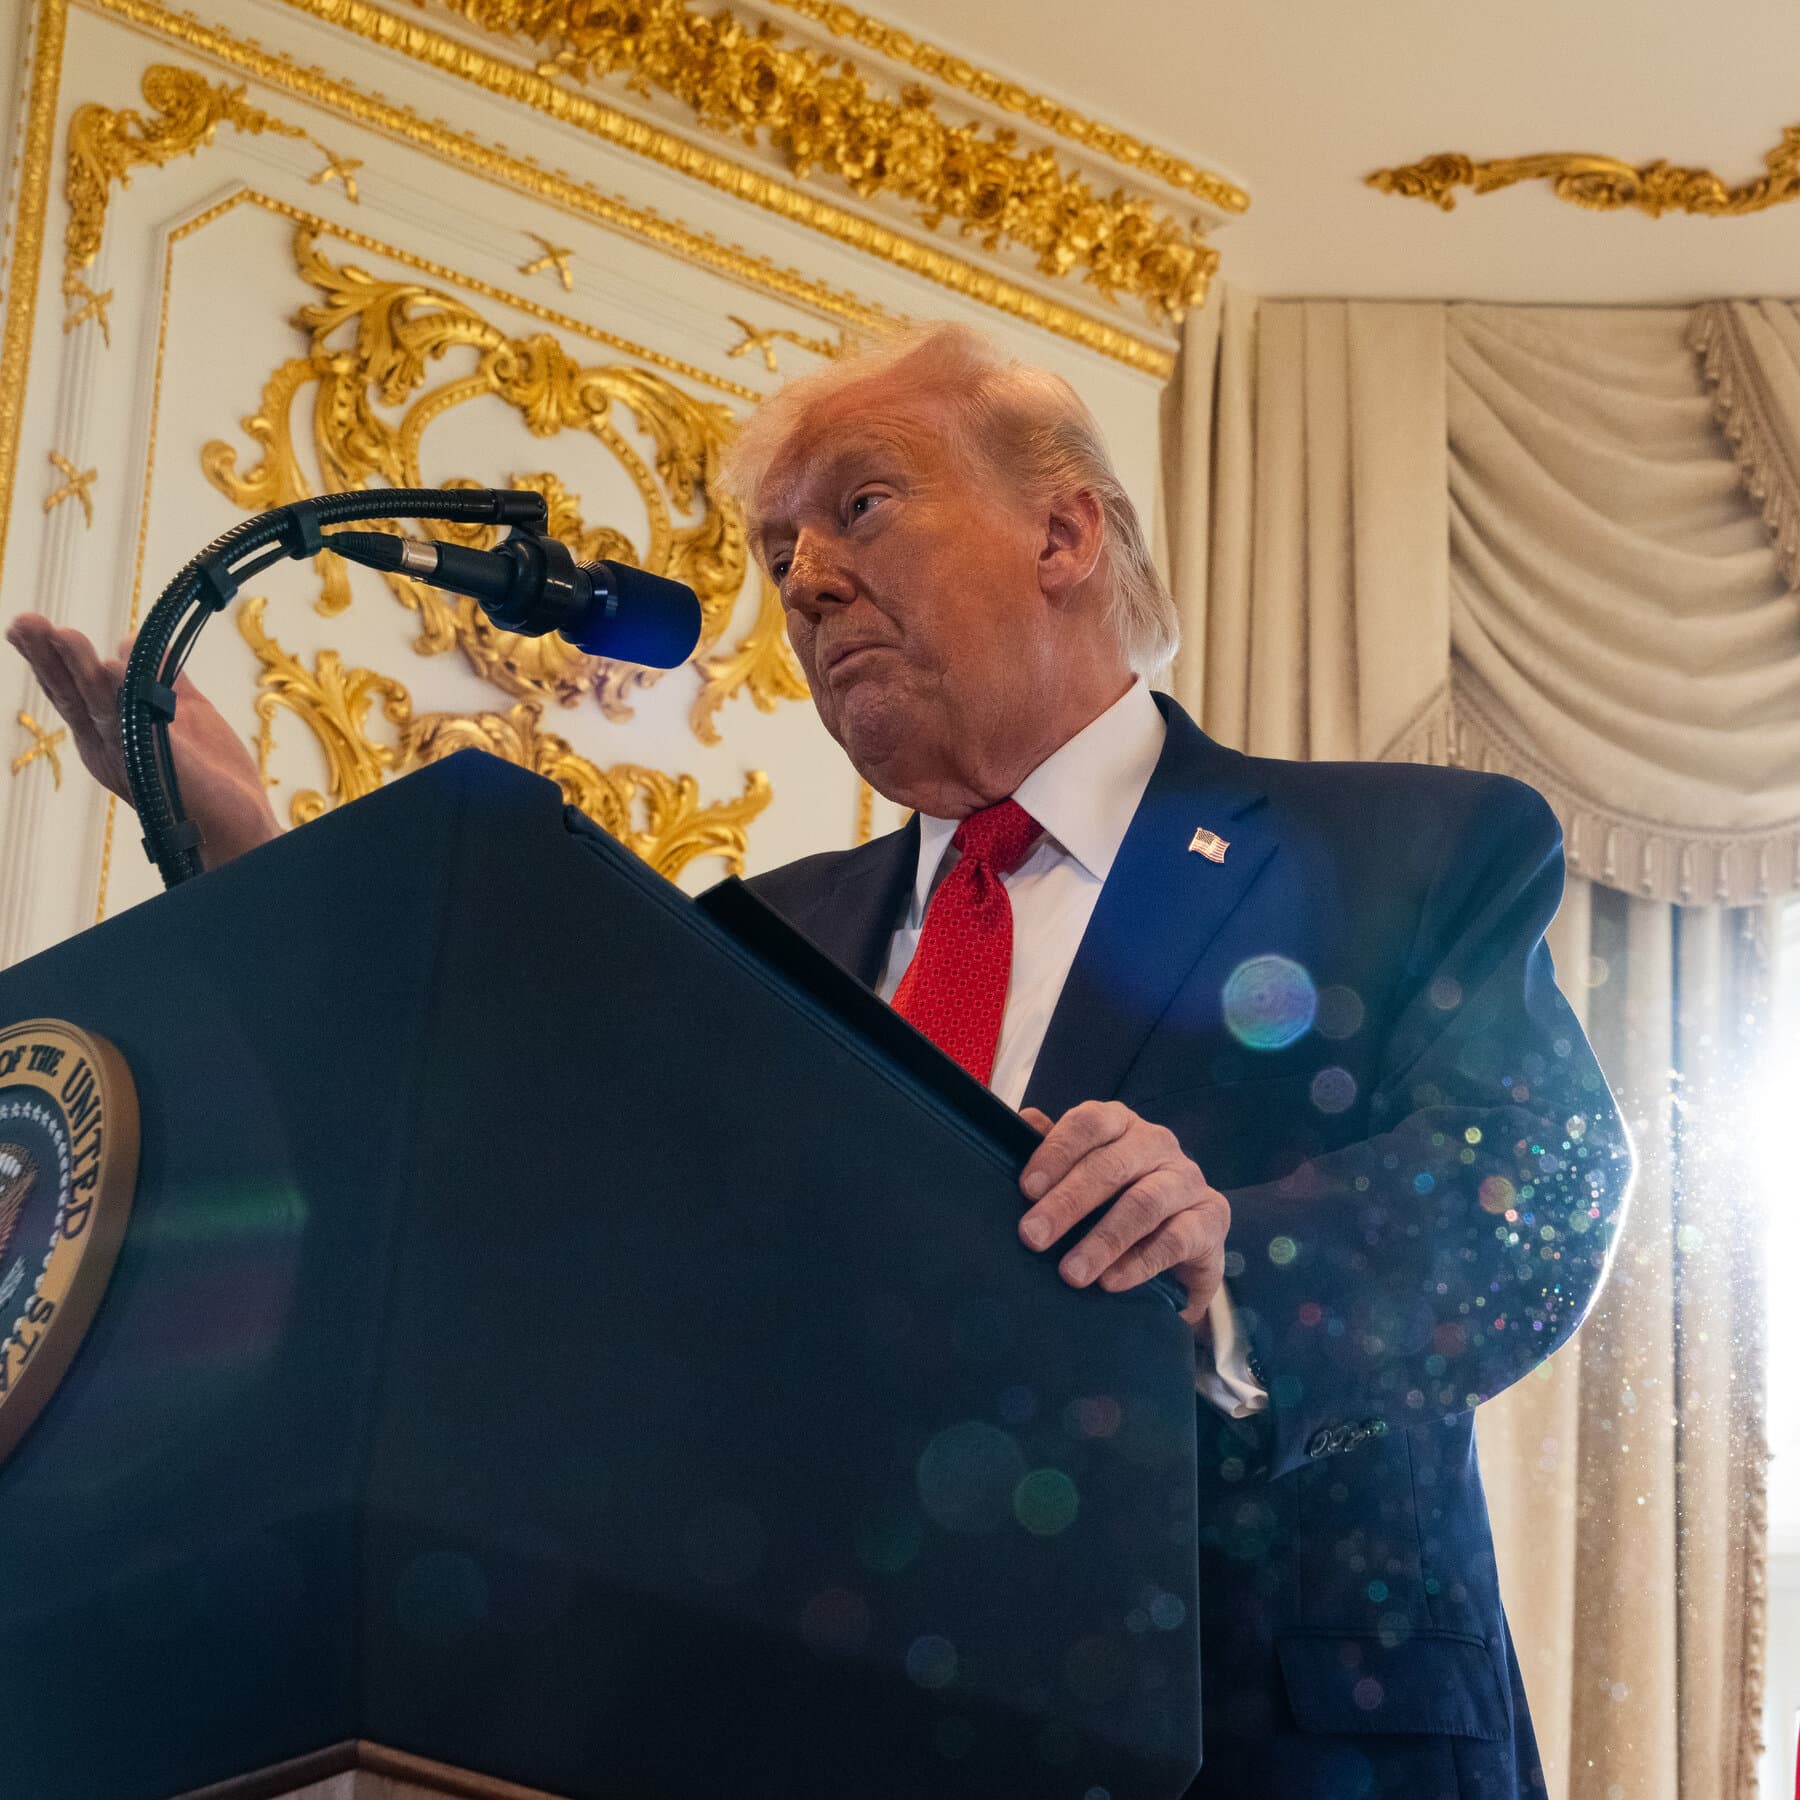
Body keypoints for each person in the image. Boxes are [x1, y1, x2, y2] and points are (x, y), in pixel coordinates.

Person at [7, 321, 1629, 1798]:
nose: (806, 582)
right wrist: (261, 862)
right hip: (824, 1734)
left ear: (1064, 533)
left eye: (861, 508)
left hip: (1273, 1741)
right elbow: (513, 1212)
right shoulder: (754, 939)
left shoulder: (1398, 852)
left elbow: (1537, 1193)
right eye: (781, 554)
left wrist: (1230, 1268)